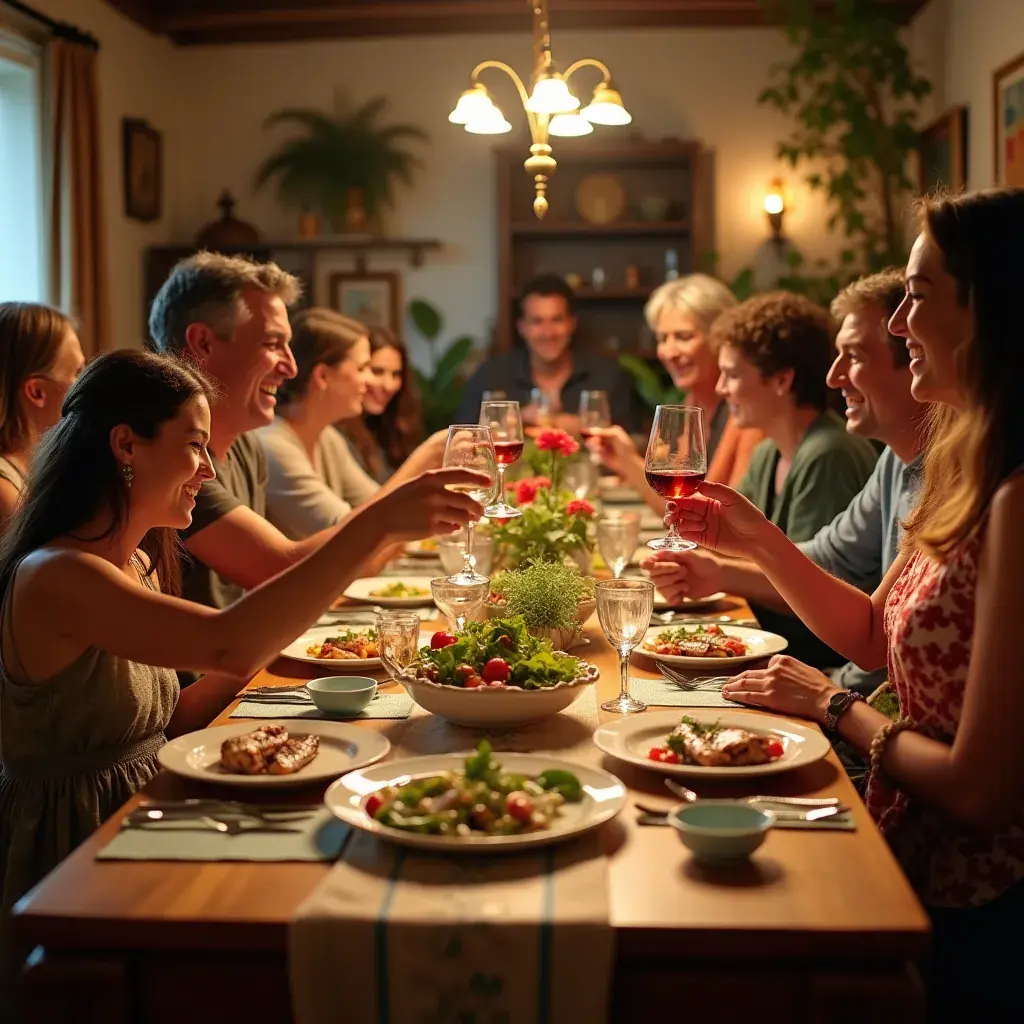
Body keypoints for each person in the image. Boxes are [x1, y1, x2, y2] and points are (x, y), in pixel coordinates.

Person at [663, 188, 1024, 1022]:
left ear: (990, 308)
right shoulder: (955, 465)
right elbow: (868, 624)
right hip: (905, 840)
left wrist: (832, 705)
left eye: (917, 296)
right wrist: (751, 532)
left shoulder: (1013, 496)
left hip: (978, 900)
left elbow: (978, 789)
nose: (899, 323)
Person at [0, 348, 484, 935]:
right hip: (76, 843)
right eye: (194, 444)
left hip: (151, 809)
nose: (208, 470)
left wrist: (279, 641)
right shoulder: (59, 575)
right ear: (126, 446)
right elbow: (227, 644)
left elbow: (171, 717)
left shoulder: (131, 562)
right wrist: (375, 524)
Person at [648, 268, 926, 694]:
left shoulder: (835, 453)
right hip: (844, 689)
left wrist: (830, 703)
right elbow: (825, 559)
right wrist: (726, 564)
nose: (835, 377)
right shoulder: (893, 460)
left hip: (856, 695)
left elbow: (873, 638)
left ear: (918, 357)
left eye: (855, 356)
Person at [148, 252, 388, 611]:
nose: (291, 368)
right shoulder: (170, 457)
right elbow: (283, 572)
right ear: (203, 344)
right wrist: (398, 506)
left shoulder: (246, 446)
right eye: (273, 343)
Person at [700, 291, 879, 668]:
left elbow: (807, 588)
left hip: (815, 663)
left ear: (782, 380)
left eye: (732, 374)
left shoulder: (829, 454)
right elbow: (729, 546)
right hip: (777, 649)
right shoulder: (768, 452)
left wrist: (718, 575)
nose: (720, 388)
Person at [257, 309, 446, 540]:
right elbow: (352, 535)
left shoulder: (327, 438)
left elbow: (376, 504)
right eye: (362, 369)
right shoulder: (274, 445)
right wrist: (428, 455)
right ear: (323, 376)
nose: (369, 381)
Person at [587, 274, 764, 506]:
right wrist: (626, 461)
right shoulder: (692, 404)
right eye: (662, 338)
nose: (668, 352)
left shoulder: (749, 412)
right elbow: (678, 510)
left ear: (721, 338)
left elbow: (730, 522)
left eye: (683, 336)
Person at [455, 273, 641, 433]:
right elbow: (463, 444)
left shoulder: (608, 377)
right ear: (522, 328)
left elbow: (631, 444)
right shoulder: (490, 376)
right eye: (537, 321)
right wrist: (519, 419)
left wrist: (563, 423)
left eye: (557, 320)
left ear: (571, 324)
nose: (548, 333)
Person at [0, 303, 85, 523]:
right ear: (36, 392)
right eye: (78, 373)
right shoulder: (5, 494)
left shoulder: (39, 472)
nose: (85, 384)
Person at [341, 325, 423, 483]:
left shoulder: (393, 423)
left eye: (396, 374)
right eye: (377, 371)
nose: (389, 385)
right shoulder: (339, 434)